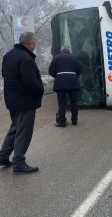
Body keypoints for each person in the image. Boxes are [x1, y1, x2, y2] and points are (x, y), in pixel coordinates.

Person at [0, 32, 44, 174]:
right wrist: (40, 90)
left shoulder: (8, 56)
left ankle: (3, 155)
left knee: (15, 128)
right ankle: (19, 163)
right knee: (24, 132)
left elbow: (4, 74)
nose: (35, 46)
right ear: (30, 44)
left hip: (12, 100)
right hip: (25, 101)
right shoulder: (26, 58)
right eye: (34, 43)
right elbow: (30, 82)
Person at [48, 45, 82, 127]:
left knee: (62, 103)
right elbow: (79, 70)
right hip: (73, 82)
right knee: (74, 102)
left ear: (61, 50)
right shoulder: (74, 58)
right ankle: (74, 120)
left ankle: (62, 121)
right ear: (69, 50)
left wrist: (58, 76)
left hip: (61, 82)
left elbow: (51, 70)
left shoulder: (56, 58)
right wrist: (73, 75)